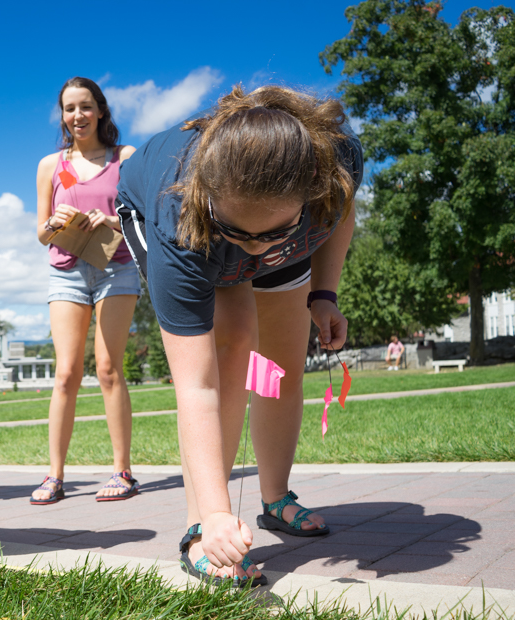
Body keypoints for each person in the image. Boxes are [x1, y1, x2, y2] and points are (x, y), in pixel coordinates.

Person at [115, 85, 363, 586]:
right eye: (242, 232)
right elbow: (196, 388)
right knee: (232, 349)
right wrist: (215, 516)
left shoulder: (335, 160)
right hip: (196, 237)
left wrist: (324, 294)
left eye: (268, 233)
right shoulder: (177, 220)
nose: (253, 249)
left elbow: (342, 211)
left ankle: (275, 497)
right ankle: (202, 527)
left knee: (281, 366)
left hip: (275, 236)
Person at [30, 77, 140, 506]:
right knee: (66, 374)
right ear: (63, 115)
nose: (78, 116)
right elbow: (41, 233)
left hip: (116, 270)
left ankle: (123, 471)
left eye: (86, 107)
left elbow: (139, 216)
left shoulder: (124, 158)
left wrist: (111, 221)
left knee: (109, 369)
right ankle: (54, 475)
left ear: (101, 111)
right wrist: (58, 222)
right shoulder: (49, 165)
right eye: (70, 108)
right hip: (67, 273)